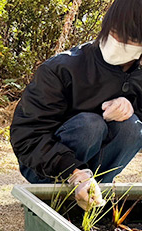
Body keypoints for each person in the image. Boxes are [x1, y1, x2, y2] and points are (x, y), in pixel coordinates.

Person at [10, 0, 142, 211]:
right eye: (115, 30)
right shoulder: (62, 68)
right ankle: (57, 197)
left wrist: (131, 105)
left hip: (96, 167)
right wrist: (75, 172)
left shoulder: (138, 75)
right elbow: (27, 136)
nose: (117, 40)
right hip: (46, 166)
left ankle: (94, 197)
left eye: (130, 38)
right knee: (90, 125)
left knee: (133, 126)